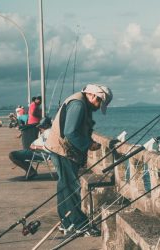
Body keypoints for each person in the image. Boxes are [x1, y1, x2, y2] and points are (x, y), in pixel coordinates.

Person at [45, 83, 112, 237]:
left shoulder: (80, 102)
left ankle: (66, 223)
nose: (97, 107)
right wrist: (88, 144)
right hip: (62, 150)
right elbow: (70, 132)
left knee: (64, 187)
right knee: (71, 188)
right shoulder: (79, 105)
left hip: (59, 149)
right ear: (94, 95)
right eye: (99, 103)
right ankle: (80, 224)